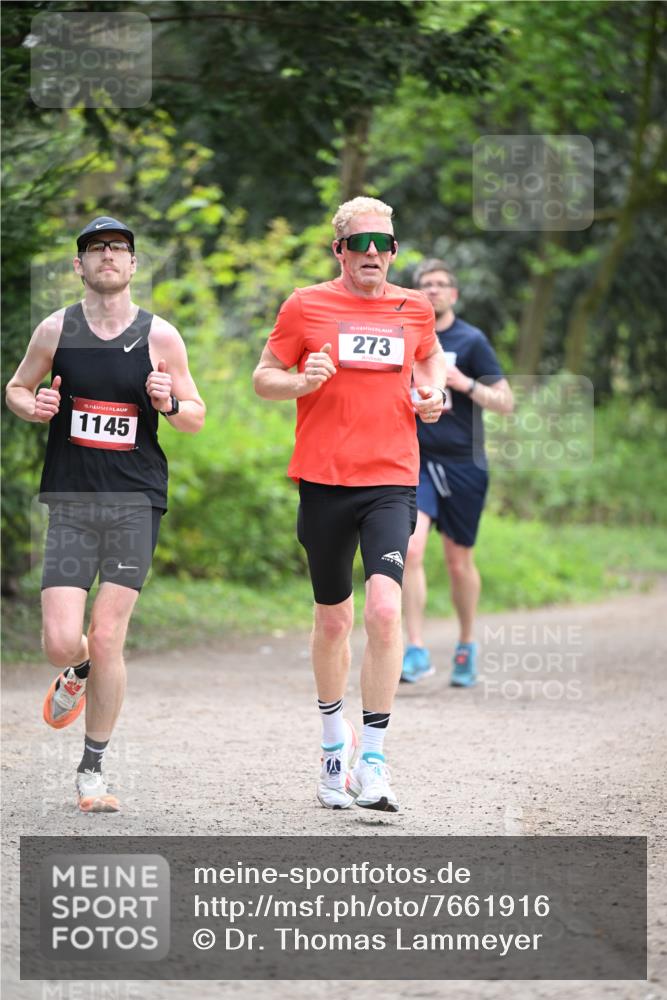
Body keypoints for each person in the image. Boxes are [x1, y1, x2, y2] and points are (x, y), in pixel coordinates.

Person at [5, 216, 205, 813]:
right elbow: (15, 388)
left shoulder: (160, 336)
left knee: (109, 633)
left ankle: (91, 769)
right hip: (71, 502)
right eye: (96, 249)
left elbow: (196, 415)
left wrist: (171, 404)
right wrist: (34, 406)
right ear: (80, 265)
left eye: (119, 248)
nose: (108, 255)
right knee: (61, 641)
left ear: (134, 264)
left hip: (134, 503)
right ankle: (79, 669)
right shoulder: (55, 329)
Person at [253, 197, 447, 812]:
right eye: (360, 242)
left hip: (391, 479)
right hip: (324, 480)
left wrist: (434, 392)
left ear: (393, 251)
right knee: (334, 620)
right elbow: (264, 375)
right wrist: (300, 381)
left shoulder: (414, 308)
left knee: (385, 611)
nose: (372, 253)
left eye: (382, 244)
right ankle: (334, 745)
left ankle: (375, 760)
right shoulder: (305, 305)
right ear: (339, 249)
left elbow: (429, 357)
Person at [401, 258, 513, 688]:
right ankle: (415, 649)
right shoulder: (405, 336)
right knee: (411, 549)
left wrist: (464, 383)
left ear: (454, 294)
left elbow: (505, 402)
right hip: (416, 459)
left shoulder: (472, 340)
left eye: (440, 284)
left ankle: (466, 643)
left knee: (458, 561)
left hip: (465, 464)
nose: (433, 290)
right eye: (425, 284)